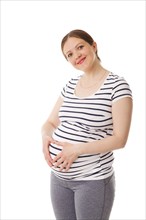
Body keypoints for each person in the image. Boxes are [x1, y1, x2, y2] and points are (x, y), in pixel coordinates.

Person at [41, 29, 133, 220]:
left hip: (92, 180)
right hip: (59, 180)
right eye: (70, 55)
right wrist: (45, 138)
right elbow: (50, 122)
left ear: (94, 45)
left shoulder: (117, 85)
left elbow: (120, 139)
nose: (76, 56)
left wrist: (76, 150)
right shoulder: (70, 85)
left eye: (80, 47)